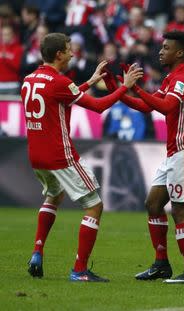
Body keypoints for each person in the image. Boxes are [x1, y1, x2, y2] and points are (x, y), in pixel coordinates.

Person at [22, 32, 143, 282]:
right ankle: (79, 270)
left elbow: (61, 97)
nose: (72, 52)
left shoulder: (29, 79)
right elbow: (98, 107)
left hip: (36, 156)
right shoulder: (60, 82)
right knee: (94, 205)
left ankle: (37, 250)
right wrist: (125, 87)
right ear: (58, 54)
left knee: (53, 196)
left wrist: (89, 81)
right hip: (60, 156)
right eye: (68, 49)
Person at [104, 31, 184, 284]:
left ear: (179, 53)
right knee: (153, 204)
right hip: (175, 152)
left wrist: (136, 87)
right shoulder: (171, 78)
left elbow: (166, 108)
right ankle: (162, 264)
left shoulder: (183, 79)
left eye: (165, 47)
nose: (160, 51)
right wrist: (117, 90)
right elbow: (147, 106)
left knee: (180, 211)